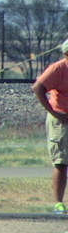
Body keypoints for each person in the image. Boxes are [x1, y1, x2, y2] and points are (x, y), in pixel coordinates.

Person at [32, 40, 68, 213]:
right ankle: (59, 203)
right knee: (62, 162)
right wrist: (54, 112)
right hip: (62, 120)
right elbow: (38, 88)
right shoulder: (58, 68)